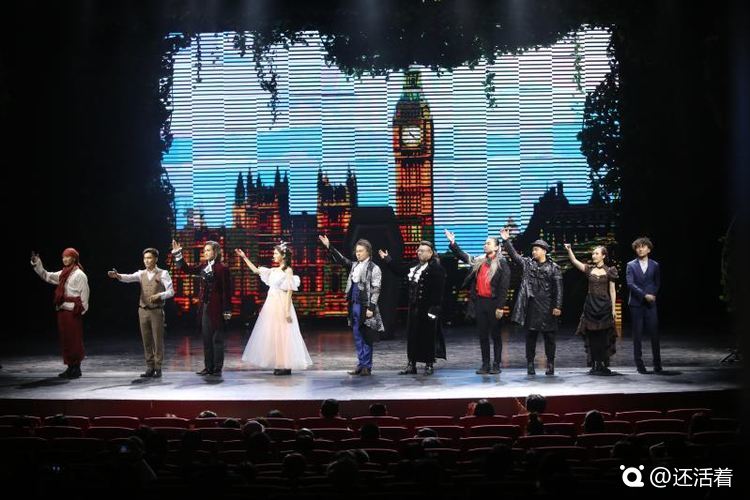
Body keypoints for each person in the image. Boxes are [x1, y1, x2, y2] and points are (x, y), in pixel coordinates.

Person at [237, 243, 312, 375]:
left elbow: (289, 292)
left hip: (281, 304)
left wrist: (287, 311)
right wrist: (244, 257)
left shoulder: (288, 270)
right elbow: (256, 270)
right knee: (274, 334)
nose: (274, 255)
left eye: (276, 253)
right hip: (271, 304)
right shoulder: (273, 270)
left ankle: (285, 364)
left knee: (284, 334)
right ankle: (279, 363)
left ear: (283, 256)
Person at [445, 229, 511, 375]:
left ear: (496, 247)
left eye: (488, 243)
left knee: (496, 335)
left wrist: (500, 307)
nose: (485, 245)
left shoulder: (502, 264)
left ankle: (496, 364)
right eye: (484, 243)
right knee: (482, 335)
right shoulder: (480, 261)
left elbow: (504, 287)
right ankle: (485, 364)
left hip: (494, 303)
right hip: (480, 302)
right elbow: (463, 256)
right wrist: (453, 243)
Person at [500, 228, 563, 375]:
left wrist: (558, 306)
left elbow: (559, 289)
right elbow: (515, 256)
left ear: (544, 251)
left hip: (548, 307)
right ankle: (530, 363)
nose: (533, 252)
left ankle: (550, 364)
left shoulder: (554, 268)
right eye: (533, 249)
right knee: (530, 337)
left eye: (536, 249)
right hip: (532, 307)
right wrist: (506, 240)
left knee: (549, 338)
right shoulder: (528, 264)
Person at [319, 235, 384, 376]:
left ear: (368, 251)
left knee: (366, 336)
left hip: (365, 307)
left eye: (360, 251)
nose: (357, 253)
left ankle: (367, 366)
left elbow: (376, 289)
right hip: (354, 305)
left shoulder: (374, 268)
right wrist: (329, 246)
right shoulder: (355, 265)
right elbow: (342, 260)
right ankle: (361, 364)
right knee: (357, 336)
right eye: (357, 251)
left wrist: (371, 308)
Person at [378, 241, 446, 375]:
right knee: (412, 336)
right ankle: (411, 364)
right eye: (418, 250)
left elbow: (438, 292)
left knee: (427, 336)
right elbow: (399, 270)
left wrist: (434, 309)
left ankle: (429, 364)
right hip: (414, 307)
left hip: (427, 308)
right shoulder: (414, 265)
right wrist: (388, 259)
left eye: (422, 250)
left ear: (430, 253)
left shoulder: (436, 269)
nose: (419, 252)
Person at [108, 247, 175, 378]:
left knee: (157, 340)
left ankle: (158, 367)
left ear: (156, 259)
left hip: (156, 311)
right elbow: (129, 278)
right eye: (145, 258)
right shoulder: (141, 273)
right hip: (143, 310)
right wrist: (118, 276)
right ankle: (150, 367)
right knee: (146, 340)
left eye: (149, 258)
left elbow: (171, 291)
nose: (147, 261)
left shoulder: (163, 273)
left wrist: (160, 295)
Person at [171, 239, 231, 377]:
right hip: (205, 307)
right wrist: (178, 254)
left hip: (217, 308)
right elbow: (187, 269)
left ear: (216, 252)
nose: (205, 253)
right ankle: (208, 367)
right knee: (206, 339)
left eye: (208, 250)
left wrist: (227, 310)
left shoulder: (222, 268)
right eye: (204, 250)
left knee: (217, 339)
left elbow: (226, 291)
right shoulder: (204, 266)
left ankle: (217, 368)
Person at [31, 248, 89, 378]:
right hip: (62, 309)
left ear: (74, 258)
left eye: (68, 257)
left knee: (74, 339)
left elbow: (85, 293)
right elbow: (46, 275)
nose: (65, 259)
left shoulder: (79, 275)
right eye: (63, 257)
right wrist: (37, 262)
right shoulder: (63, 273)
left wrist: (82, 310)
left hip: (73, 310)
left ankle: (76, 368)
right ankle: (70, 366)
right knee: (66, 339)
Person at [564, 243, 619, 375]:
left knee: (603, 337)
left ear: (603, 256)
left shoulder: (610, 270)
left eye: (596, 253)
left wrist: (613, 309)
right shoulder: (589, 269)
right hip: (591, 306)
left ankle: (603, 363)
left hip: (604, 306)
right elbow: (575, 261)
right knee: (592, 336)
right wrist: (569, 250)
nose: (593, 255)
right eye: (593, 253)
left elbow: (612, 290)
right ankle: (595, 363)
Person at [626, 237, 662, 373]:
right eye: (638, 247)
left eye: (643, 246)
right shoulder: (631, 265)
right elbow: (630, 284)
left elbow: (657, 283)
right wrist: (644, 295)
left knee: (654, 334)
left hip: (651, 303)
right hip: (636, 304)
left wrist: (652, 294)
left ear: (649, 249)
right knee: (637, 335)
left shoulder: (655, 265)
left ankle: (657, 364)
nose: (640, 249)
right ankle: (639, 364)